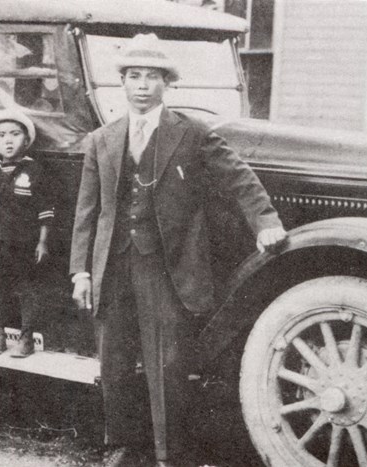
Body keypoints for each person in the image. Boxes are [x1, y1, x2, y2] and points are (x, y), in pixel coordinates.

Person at [69, 34, 287, 467]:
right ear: (122, 83)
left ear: (166, 83)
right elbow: (88, 211)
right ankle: (123, 447)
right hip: (111, 266)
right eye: (134, 76)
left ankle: (170, 455)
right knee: (113, 363)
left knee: (166, 366)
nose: (143, 85)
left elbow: (239, 177)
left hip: (168, 269)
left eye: (152, 77)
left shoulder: (192, 132)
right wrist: (80, 271)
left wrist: (266, 222)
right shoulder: (102, 139)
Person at [0, 109, 54, 358]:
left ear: (26, 140)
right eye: (1, 135)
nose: (8, 140)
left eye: (15, 134)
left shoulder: (35, 172)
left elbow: (45, 210)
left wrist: (42, 242)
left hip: (24, 245)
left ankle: (26, 337)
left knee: (26, 290)